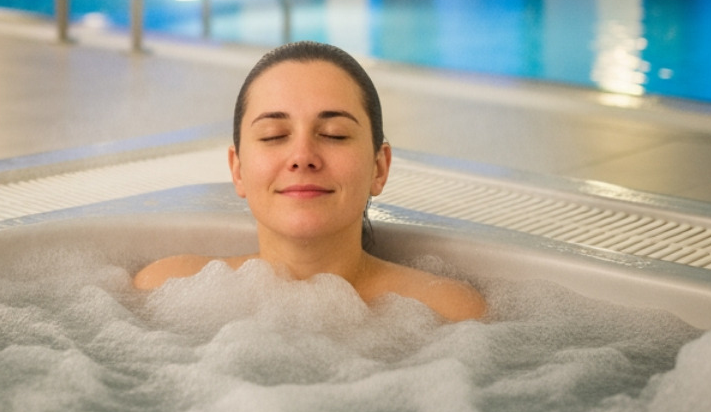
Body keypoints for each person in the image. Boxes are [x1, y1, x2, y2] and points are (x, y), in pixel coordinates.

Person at [134, 41, 487, 322]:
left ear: (379, 168)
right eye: (274, 135)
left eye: (334, 134)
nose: (303, 156)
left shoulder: (449, 313)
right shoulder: (167, 286)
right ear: (238, 170)